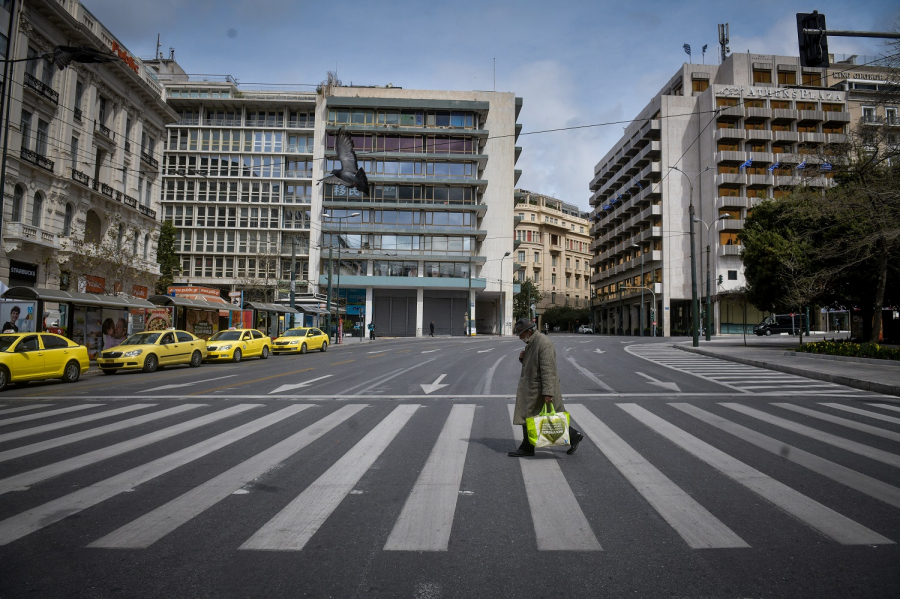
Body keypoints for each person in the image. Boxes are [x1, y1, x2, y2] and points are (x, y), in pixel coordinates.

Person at [509, 317, 583, 458]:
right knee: (535, 417)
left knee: (536, 416)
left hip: (539, 388)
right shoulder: (532, 342)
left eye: (520, 334)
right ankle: (572, 436)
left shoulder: (543, 343)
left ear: (528, 331)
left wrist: (548, 392)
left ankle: (528, 446)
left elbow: (548, 369)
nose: (519, 337)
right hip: (534, 387)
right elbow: (534, 364)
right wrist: (522, 359)